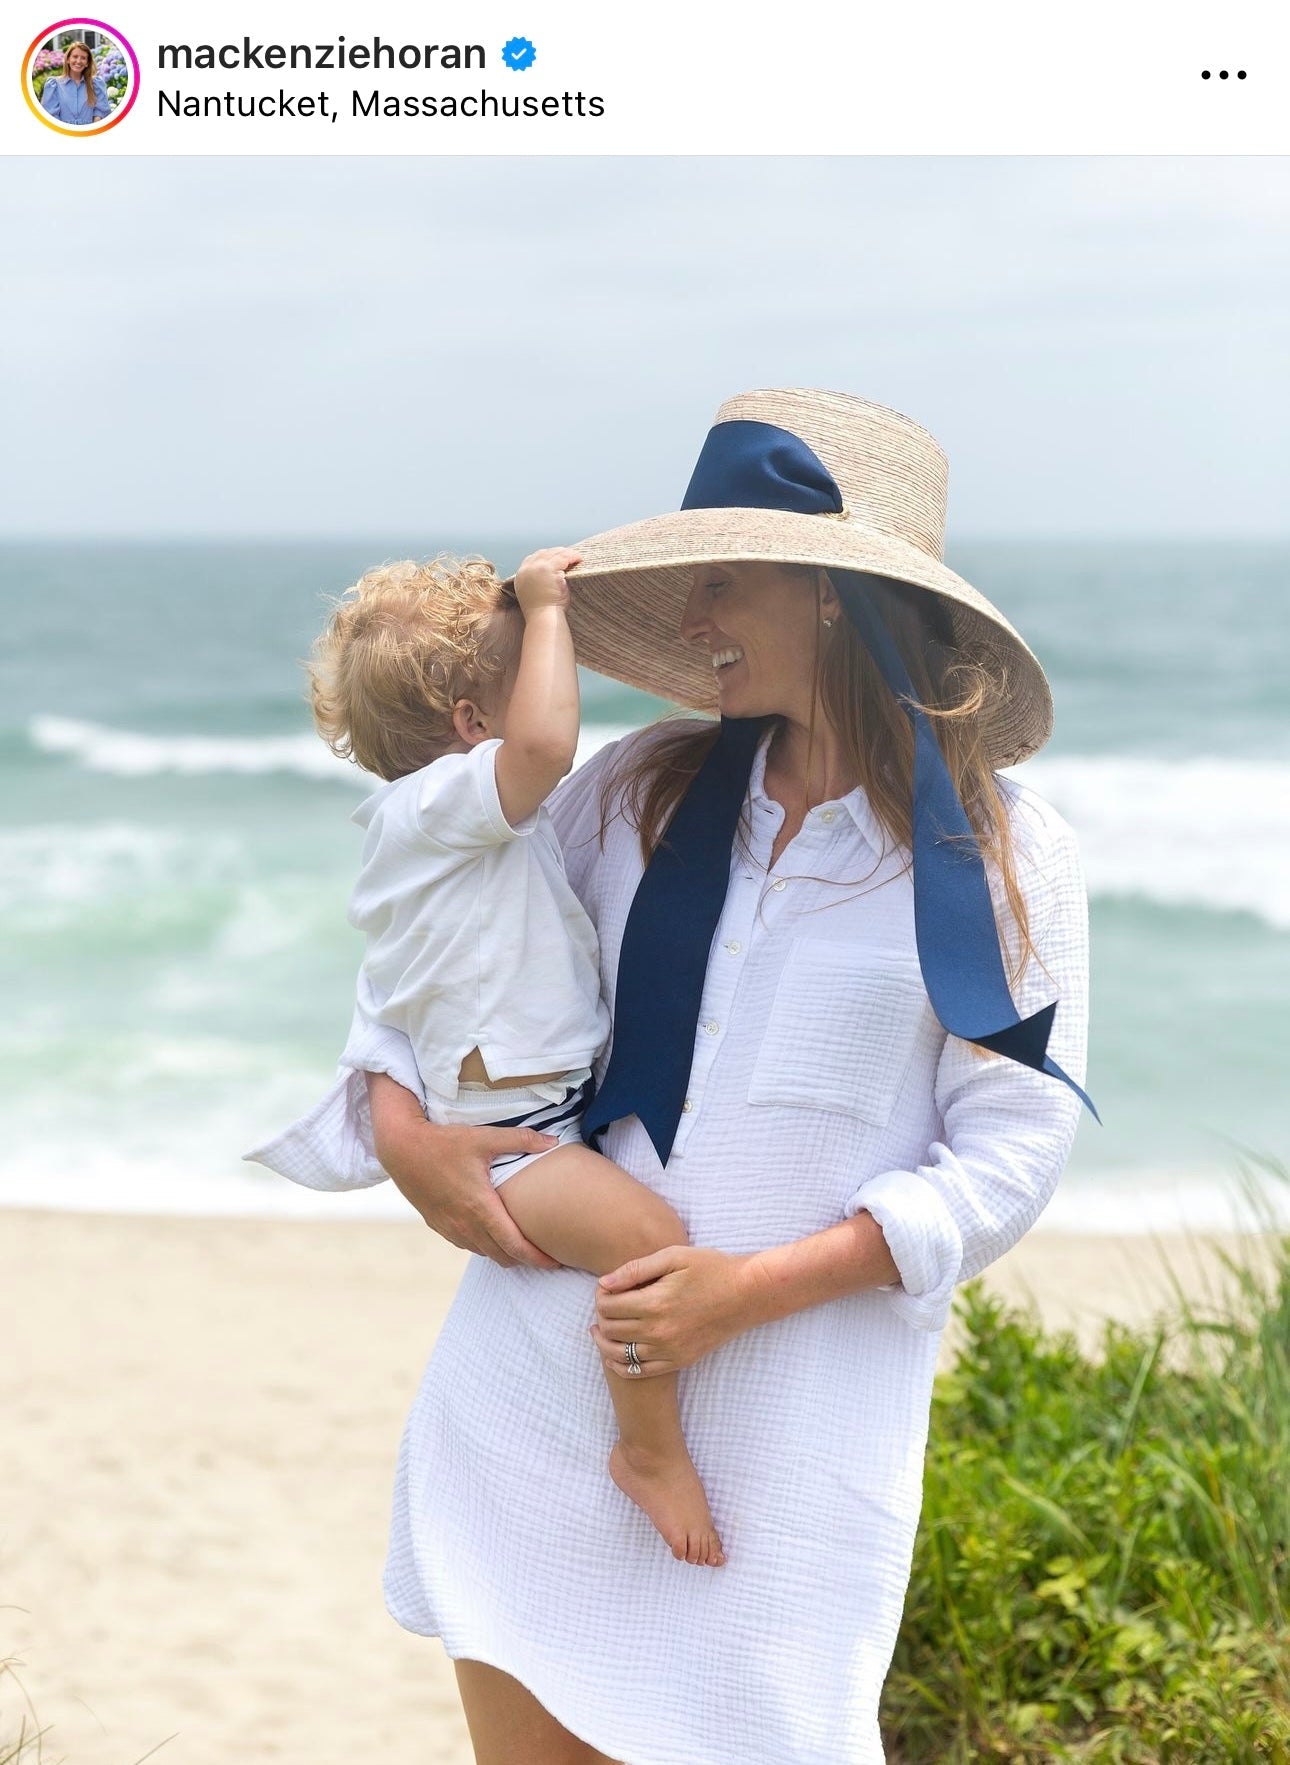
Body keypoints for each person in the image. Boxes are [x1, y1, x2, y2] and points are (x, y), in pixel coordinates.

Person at [265, 388, 1092, 1765]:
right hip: (535, 1398)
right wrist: (406, 1138)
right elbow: (431, 964)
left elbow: (1008, 1160)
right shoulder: (631, 788)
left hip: (789, 1444)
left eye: (723, 580)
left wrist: (745, 1290)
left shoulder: (1010, 859)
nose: (693, 616)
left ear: (831, 594)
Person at [248, 547, 726, 1565]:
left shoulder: (448, 831)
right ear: (472, 729)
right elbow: (547, 746)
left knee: (645, 1236)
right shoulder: (442, 805)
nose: (550, 689)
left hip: (541, 1113)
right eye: (531, 674)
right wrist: (548, 607)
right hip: (515, 1142)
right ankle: (648, 1450)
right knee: (649, 1242)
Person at [39, 41, 111, 126]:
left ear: (87, 63)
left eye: (83, 58)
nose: (78, 61)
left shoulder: (96, 84)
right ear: (68, 59)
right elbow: (51, 115)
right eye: (75, 57)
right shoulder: (54, 85)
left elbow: (100, 112)